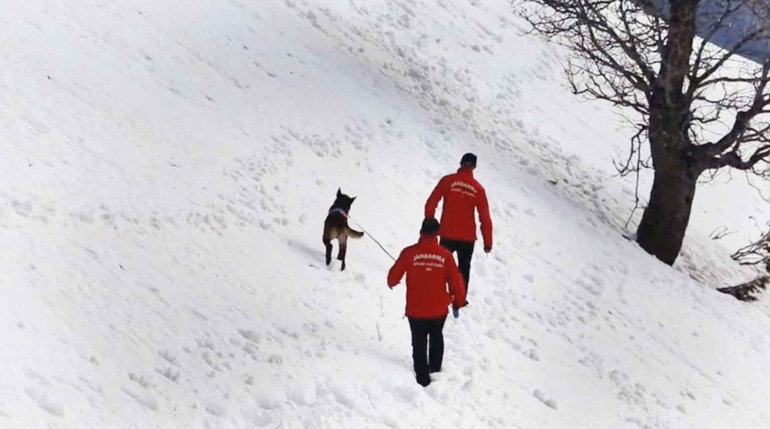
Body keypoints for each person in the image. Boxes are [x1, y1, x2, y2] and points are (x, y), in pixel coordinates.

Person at [387, 218, 467, 387]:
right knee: (437, 336)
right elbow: (456, 281)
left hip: (416, 311)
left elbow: (393, 277)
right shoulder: (445, 256)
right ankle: (436, 373)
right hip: (438, 310)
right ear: (437, 234)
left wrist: (392, 282)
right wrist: (458, 301)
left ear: (420, 232)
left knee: (419, 342)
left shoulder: (409, 253)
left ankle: (422, 379)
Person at [425, 152, 493, 296]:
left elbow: (431, 202)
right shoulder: (478, 189)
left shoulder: (448, 181)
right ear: (474, 167)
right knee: (463, 269)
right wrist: (488, 242)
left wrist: (430, 221)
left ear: (460, 163)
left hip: (447, 233)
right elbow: (485, 217)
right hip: (467, 238)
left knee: (441, 265)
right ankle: (459, 298)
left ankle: (436, 292)